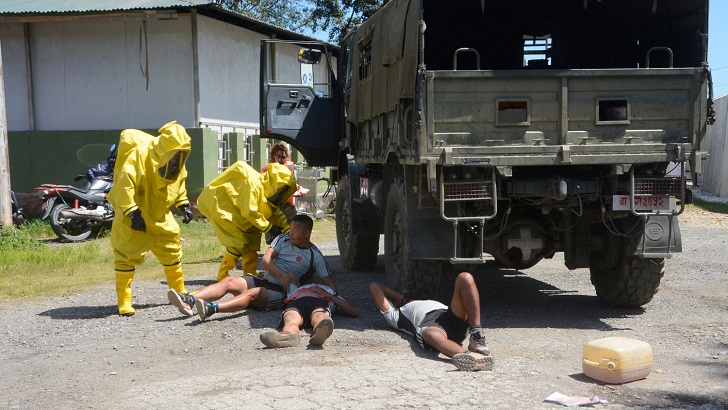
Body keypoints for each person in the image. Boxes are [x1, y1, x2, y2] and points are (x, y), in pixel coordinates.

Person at [168, 214, 338, 320]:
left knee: (253, 293)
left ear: (307, 233)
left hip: (282, 293)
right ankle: (190, 300)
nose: (291, 232)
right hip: (266, 279)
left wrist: (333, 301)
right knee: (229, 281)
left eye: (295, 230)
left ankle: (212, 309)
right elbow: (266, 260)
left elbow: (329, 283)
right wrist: (281, 274)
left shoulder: (315, 255)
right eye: (291, 228)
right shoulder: (283, 239)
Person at [108, 121, 194, 316]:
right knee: (126, 255)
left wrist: (183, 205)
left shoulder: (177, 161)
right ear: (165, 147)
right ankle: (124, 301)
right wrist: (131, 211)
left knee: (172, 249)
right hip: (135, 216)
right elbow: (124, 184)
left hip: (161, 215)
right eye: (176, 151)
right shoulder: (140, 155)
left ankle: (180, 291)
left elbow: (178, 185)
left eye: (182, 152)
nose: (178, 157)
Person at [369, 272, 494, 371]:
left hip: (448, 316)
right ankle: (472, 358)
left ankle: (476, 336)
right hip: (430, 326)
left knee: (465, 278)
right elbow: (374, 287)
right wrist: (398, 297)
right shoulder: (396, 316)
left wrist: (402, 298)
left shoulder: (425, 303)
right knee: (431, 335)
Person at [196, 161, 297, 282]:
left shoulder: (268, 195)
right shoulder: (252, 184)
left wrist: (287, 229)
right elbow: (250, 211)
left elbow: (275, 214)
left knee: (251, 245)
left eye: (283, 190)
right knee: (237, 244)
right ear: (272, 182)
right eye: (279, 188)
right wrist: (269, 228)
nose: (279, 192)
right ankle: (223, 275)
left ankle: (250, 274)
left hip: (243, 218)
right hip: (225, 210)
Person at [259, 283, 359, 348]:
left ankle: (319, 333)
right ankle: (289, 336)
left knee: (319, 315)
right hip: (297, 302)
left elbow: (353, 312)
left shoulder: (329, 291)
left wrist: (328, 295)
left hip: (319, 301)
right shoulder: (295, 290)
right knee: (291, 317)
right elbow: (289, 280)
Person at [261, 142, 299, 230]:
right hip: (272, 208)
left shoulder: (289, 167)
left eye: (283, 157)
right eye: (277, 157)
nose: (280, 159)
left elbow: (292, 183)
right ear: (273, 156)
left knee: (291, 231)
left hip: (287, 206)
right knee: (274, 235)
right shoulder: (266, 169)